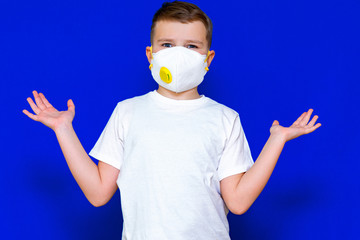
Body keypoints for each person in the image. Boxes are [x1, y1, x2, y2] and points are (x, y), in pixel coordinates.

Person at [22, 1, 321, 239]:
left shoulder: (224, 119)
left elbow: (238, 202)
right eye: (167, 45)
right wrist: (64, 129)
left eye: (191, 46)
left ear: (208, 58)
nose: (179, 54)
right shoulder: (127, 112)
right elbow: (98, 192)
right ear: (151, 54)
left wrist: (276, 140)